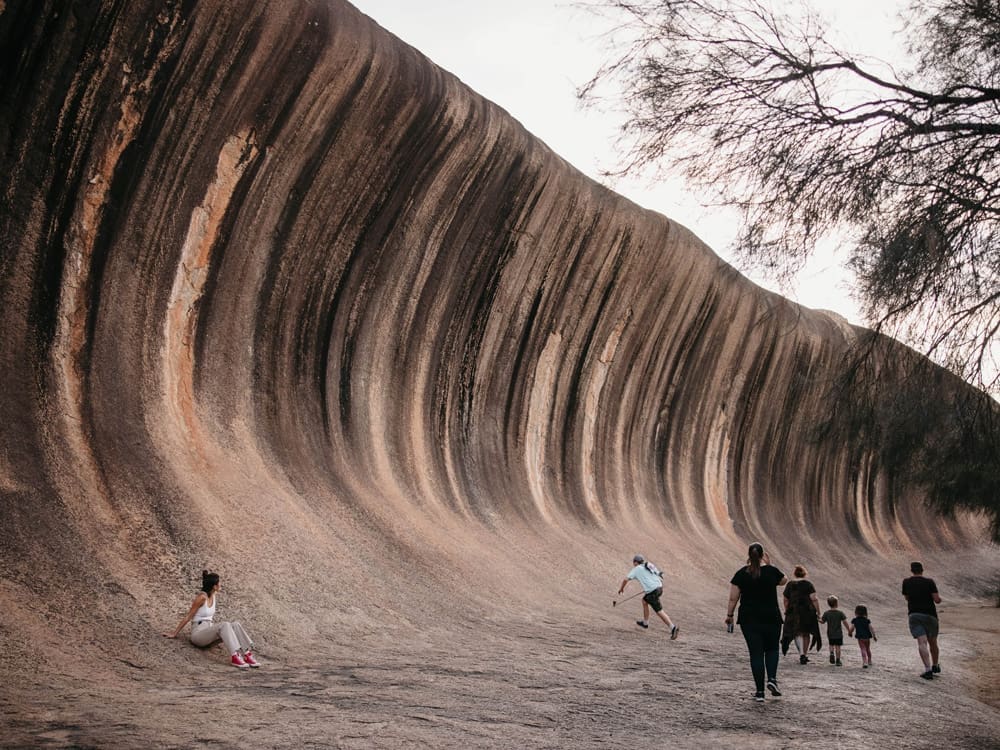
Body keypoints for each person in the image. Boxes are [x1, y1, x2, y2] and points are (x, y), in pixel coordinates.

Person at [726, 542, 788, 702]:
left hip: (749, 619)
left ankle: (760, 692)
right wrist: (769, 564)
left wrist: (730, 615)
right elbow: (784, 581)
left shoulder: (741, 574)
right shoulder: (771, 572)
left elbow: (733, 598)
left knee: (756, 654)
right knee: (772, 649)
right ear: (762, 555)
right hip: (771, 617)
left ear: (748, 555)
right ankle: (772, 679)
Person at [163, 570, 261, 669]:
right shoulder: (201, 598)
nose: (221, 584)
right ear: (214, 586)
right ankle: (235, 656)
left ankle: (247, 654)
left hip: (209, 633)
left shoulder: (213, 595)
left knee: (235, 624)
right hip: (198, 635)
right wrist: (174, 633)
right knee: (225, 624)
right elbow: (188, 616)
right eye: (219, 583)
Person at [618, 554, 680, 639]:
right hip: (659, 587)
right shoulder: (648, 565)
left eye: (634, 562)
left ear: (635, 562)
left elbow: (626, 579)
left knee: (659, 611)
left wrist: (621, 589)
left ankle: (673, 628)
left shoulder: (637, 569)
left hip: (653, 591)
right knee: (644, 601)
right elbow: (658, 575)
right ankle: (645, 623)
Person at [902, 561, 942, 679]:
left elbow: (907, 598)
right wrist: (940, 599)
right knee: (933, 642)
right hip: (930, 615)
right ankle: (935, 665)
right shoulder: (929, 582)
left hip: (914, 615)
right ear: (922, 570)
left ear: (911, 570)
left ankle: (928, 669)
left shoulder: (906, 582)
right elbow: (937, 600)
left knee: (921, 642)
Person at [781, 565, 822, 663]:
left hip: (794, 611)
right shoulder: (808, 584)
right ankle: (805, 654)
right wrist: (818, 612)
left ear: (795, 574)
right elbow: (814, 599)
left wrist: (787, 610)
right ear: (804, 574)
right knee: (806, 632)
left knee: (797, 632)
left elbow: (786, 599)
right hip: (807, 611)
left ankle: (802, 654)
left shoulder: (790, 584)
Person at [821, 595, 848, 666]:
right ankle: (838, 660)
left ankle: (831, 653)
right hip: (838, 634)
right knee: (838, 647)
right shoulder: (840, 613)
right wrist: (849, 630)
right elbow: (845, 622)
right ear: (836, 604)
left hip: (830, 633)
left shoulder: (827, 613)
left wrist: (817, 618)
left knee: (831, 645)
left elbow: (822, 621)